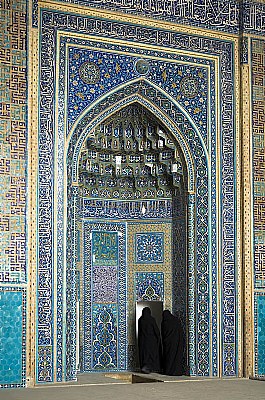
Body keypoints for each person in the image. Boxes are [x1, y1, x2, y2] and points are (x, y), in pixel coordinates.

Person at [138, 307, 161, 374]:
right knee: (152, 354)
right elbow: (156, 330)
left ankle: (145, 367)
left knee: (145, 354)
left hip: (143, 340)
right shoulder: (151, 319)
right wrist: (158, 338)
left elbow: (140, 331)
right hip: (151, 340)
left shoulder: (141, 320)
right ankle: (151, 368)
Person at [161, 310, 184, 376]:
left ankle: (168, 371)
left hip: (168, 344)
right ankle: (176, 371)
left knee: (169, 357)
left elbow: (163, 333)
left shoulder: (164, 322)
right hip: (177, 342)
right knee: (176, 356)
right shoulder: (176, 321)